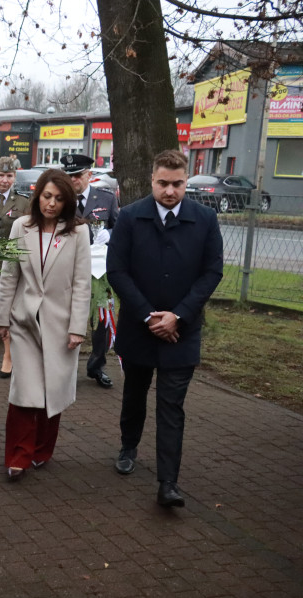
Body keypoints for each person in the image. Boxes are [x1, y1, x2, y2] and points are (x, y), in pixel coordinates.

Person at [107, 149, 223, 508]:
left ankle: (168, 482)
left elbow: (212, 272)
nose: (170, 191)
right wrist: (149, 316)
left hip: (181, 331)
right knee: (135, 393)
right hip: (138, 327)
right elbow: (117, 271)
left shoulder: (205, 219)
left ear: (186, 181)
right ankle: (128, 446)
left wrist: (179, 316)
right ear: (152, 181)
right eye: (163, 183)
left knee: (171, 405)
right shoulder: (130, 216)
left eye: (177, 184)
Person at [0, 169, 92, 480]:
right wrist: (1, 317)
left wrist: (77, 327)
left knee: (53, 391)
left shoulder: (79, 233)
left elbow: (82, 284)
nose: (51, 203)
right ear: (38, 197)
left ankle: (42, 450)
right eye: (47, 196)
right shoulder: (21, 227)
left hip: (61, 325)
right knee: (24, 392)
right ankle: (17, 456)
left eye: (59, 198)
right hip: (24, 321)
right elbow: (9, 274)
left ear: (67, 202)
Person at [62, 153, 120, 389]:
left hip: (99, 271)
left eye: (77, 175)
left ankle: (97, 366)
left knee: (102, 321)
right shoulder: (59, 199)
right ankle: (65, 368)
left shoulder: (106, 198)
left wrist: (111, 235)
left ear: (89, 175)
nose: (73, 180)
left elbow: (119, 227)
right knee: (65, 319)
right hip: (67, 268)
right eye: (69, 176)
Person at [0, 156, 31, 378]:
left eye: (9, 176)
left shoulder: (23, 202)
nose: (5, 180)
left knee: (9, 310)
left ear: (14, 178)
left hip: (9, 262)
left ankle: (8, 356)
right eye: (1, 175)